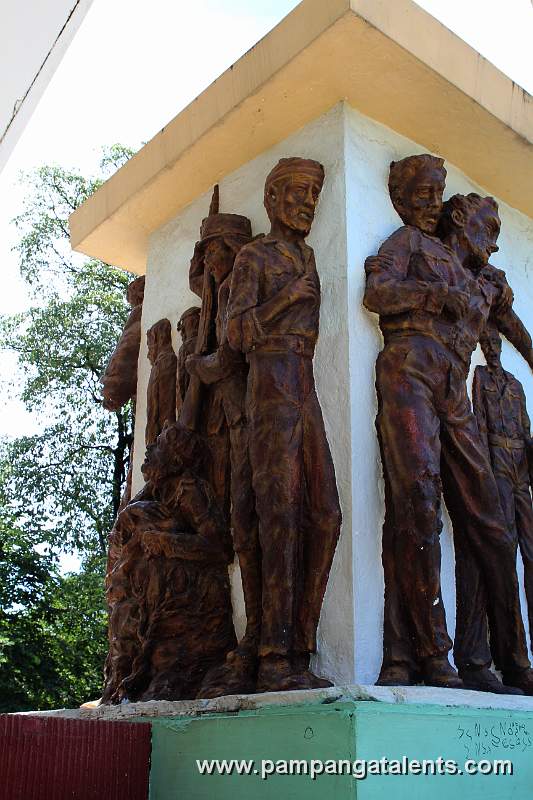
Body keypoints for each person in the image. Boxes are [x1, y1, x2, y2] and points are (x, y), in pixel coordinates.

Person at [364, 154, 533, 693]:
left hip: (451, 387)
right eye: (491, 228)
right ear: (462, 221)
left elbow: (515, 329)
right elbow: (377, 293)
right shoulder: (408, 244)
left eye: (437, 190)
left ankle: (507, 658)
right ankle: (430, 654)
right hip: (409, 367)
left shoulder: (484, 279)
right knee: (417, 506)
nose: (496, 241)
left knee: (492, 523)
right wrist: (434, 294)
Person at [226, 157, 342, 692]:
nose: (308, 203)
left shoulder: (307, 254)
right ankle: (274, 654)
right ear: (272, 199)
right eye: (298, 192)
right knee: (279, 515)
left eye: (315, 195)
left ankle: (301, 643)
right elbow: (235, 335)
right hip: (270, 380)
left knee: (325, 514)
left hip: (304, 380)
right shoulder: (256, 256)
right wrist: (288, 299)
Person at [473, 324, 533, 651]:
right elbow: (480, 428)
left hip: (520, 467)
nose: (492, 347)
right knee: (505, 549)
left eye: (496, 342)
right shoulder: (481, 378)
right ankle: (512, 648)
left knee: (531, 550)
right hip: (497, 464)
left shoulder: (516, 385)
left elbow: (525, 428)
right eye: (488, 343)